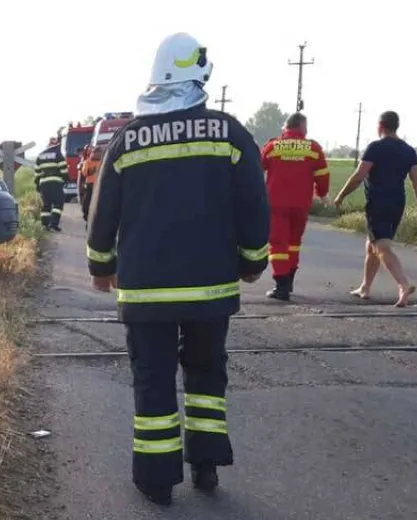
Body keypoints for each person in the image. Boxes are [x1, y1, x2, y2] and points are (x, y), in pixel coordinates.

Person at [86, 32, 269, 506]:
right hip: (210, 289)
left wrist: (100, 265)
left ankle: (156, 479)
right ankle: (205, 463)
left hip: (145, 292)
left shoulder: (128, 141)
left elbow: (103, 211)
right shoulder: (229, 133)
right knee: (207, 372)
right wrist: (253, 261)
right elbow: (252, 203)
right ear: (200, 77)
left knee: (153, 378)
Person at [333, 111, 417, 307]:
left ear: (380, 126)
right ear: (396, 126)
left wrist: (340, 196)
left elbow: (359, 176)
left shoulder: (375, 148)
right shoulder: (409, 151)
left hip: (378, 202)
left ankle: (403, 284)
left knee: (381, 246)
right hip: (397, 203)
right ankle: (365, 287)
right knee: (372, 245)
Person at [260, 112, 331, 301]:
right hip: (301, 205)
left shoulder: (273, 146)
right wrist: (323, 195)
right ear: (301, 127)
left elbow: (256, 170)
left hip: (276, 204)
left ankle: (281, 286)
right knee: (293, 244)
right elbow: (323, 175)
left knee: (278, 245)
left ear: (286, 127)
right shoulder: (313, 148)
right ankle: (289, 280)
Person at [34, 133, 68, 231]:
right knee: (58, 203)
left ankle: (44, 225)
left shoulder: (40, 155)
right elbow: (63, 169)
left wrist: (37, 184)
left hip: (44, 184)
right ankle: (53, 224)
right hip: (56, 183)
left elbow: (37, 172)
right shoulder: (58, 154)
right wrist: (66, 178)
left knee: (46, 205)